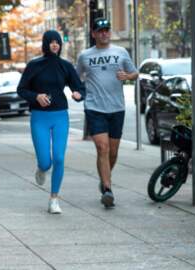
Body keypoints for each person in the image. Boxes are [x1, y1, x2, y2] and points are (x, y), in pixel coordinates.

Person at [17, 30, 84, 214]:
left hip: (60, 116)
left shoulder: (65, 66)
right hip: (40, 117)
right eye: (51, 42)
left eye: (57, 42)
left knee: (59, 158)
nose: (55, 45)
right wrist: (35, 96)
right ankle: (41, 169)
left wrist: (78, 94)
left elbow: (79, 86)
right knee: (46, 162)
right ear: (45, 44)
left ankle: (54, 199)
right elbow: (21, 89)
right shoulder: (34, 65)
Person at [76, 18, 138, 208]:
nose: (104, 33)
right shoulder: (85, 56)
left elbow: (135, 73)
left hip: (117, 108)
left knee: (113, 152)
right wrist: (77, 91)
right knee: (102, 148)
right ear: (93, 34)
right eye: (100, 30)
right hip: (95, 108)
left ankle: (104, 179)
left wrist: (127, 76)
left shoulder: (121, 52)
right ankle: (108, 189)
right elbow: (77, 78)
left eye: (106, 30)